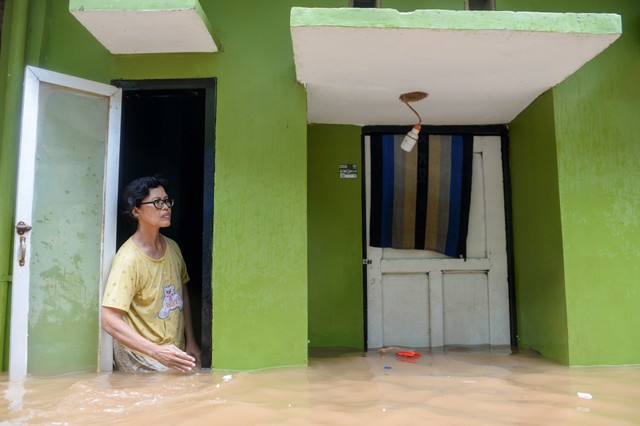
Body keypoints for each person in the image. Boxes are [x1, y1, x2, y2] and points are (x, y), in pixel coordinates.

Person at [101, 175, 201, 372]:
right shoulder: (128, 259)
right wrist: (157, 352)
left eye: (166, 201)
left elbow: (183, 294)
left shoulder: (173, 248)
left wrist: (191, 342)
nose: (166, 207)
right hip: (142, 358)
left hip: (172, 353)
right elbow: (109, 319)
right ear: (136, 210)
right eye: (157, 202)